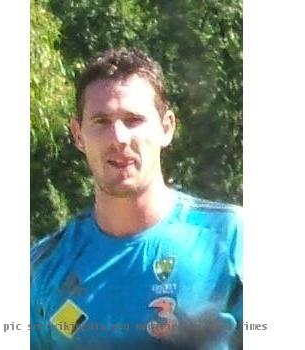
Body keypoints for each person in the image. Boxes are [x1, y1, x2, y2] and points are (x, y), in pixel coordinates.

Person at [30, 48, 243, 350]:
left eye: (133, 120)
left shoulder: (231, 238)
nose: (118, 138)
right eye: (101, 121)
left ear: (166, 127)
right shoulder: (43, 268)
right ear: (78, 135)